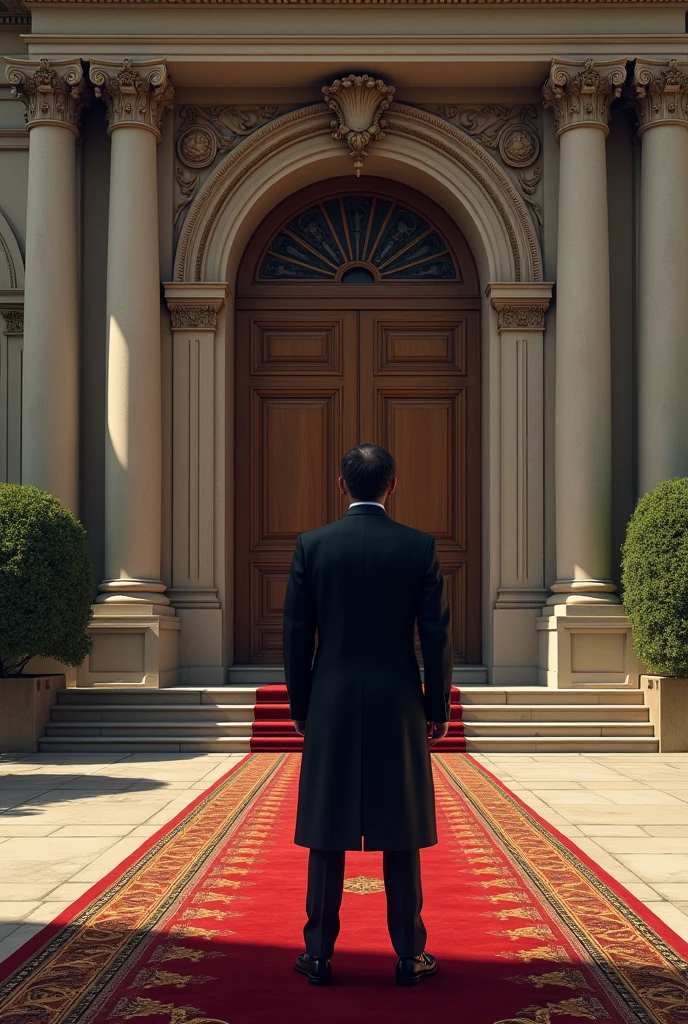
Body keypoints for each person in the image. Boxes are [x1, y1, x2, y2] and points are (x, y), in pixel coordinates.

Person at [283, 442, 452, 987]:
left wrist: (301, 705)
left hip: (331, 699)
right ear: (392, 486)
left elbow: (295, 637)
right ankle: (409, 954)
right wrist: (437, 705)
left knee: (327, 830)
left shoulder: (313, 546)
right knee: (400, 829)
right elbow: (436, 637)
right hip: (397, 700)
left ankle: (319, 955)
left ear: (341, 485)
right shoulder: (418, 548)